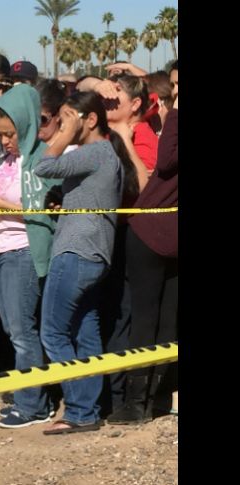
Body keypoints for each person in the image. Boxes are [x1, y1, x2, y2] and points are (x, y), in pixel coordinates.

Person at [36, 91, 139, 435]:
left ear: (90, 120)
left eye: (68, 117)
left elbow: (43, 167)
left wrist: (63, 135)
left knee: (53, 332)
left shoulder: (95, 152)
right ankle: (88, 410)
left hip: (75, 252)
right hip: (94, 255)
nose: (61, 125)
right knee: (84, 331)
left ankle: (80, 409)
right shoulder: (106, 154)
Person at [0, 84, 60, 428]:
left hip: (24, 249)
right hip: (1, 248)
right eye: (0, 134)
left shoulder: (43, 158)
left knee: (23, 330)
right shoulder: (6, 161)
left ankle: (33, 405)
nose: (5, 141)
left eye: (11, 134)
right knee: (12, 329)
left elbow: (44, 211)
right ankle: (34, 399)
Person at [107, 89, 178, 425]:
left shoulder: (172, 125)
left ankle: (144, 401)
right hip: (158, 233)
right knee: (158, 320)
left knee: (155, 320)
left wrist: (175, 113)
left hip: (157, 233)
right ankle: (146, 400)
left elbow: (166, 161)